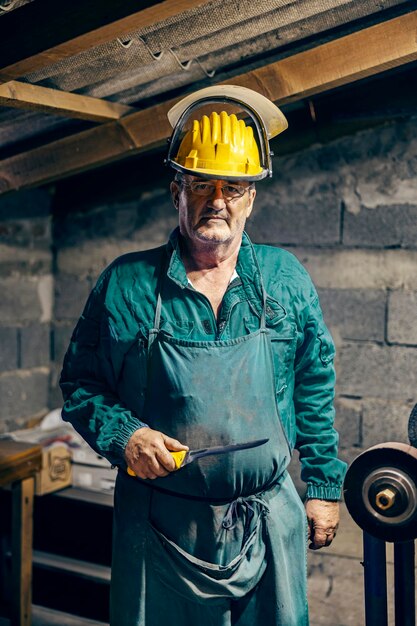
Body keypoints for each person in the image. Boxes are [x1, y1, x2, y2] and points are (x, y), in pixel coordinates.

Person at [60, 85, 347, 626]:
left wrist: (324, 487)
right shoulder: (126, 284)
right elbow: (81, 385)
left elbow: (313, 381)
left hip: (265, 517)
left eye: (234, 187)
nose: (218, 200)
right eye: (201, 184)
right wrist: (126, 436)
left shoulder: (284, 279)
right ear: (177, 192)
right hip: (159, 526)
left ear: (252, 198)